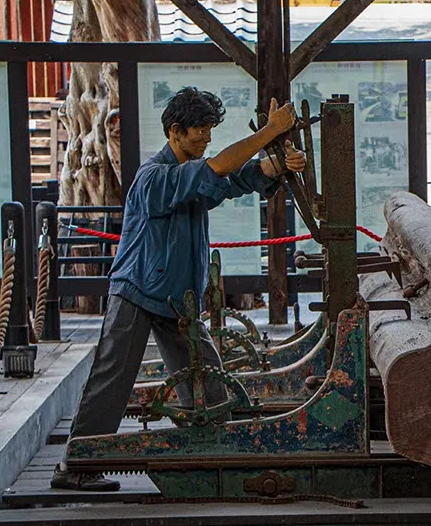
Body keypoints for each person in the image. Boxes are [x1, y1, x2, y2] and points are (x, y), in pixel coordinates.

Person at [50, 88, 306, 491]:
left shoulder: (192, 172)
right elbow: (219, 170)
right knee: (112, 378)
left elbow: (235, 178)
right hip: (136, 292)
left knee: (206, 378)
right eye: (200, 130)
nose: (206, 138)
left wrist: (276, 165)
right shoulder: (155, 177)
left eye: (209, 130)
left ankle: (210, 453)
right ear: (175, 132)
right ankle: (76, 467)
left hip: (174, 299)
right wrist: (268, 133)